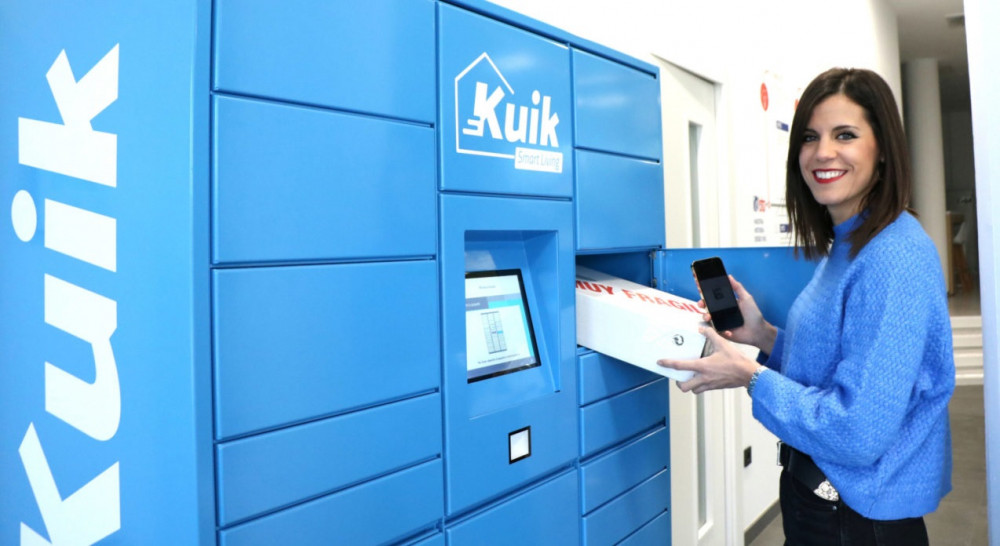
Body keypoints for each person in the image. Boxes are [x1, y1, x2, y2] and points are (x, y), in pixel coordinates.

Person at [658, 67, 955, 545]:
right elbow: (842, 362)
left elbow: (858, 431)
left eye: (845, 135)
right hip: (820, 504)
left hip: (856, 522)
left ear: (882, 150)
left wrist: (750, 376)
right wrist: (762, 336)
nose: (823, 152)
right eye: (810, 137)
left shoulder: (893, 256)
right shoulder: (849, 244)